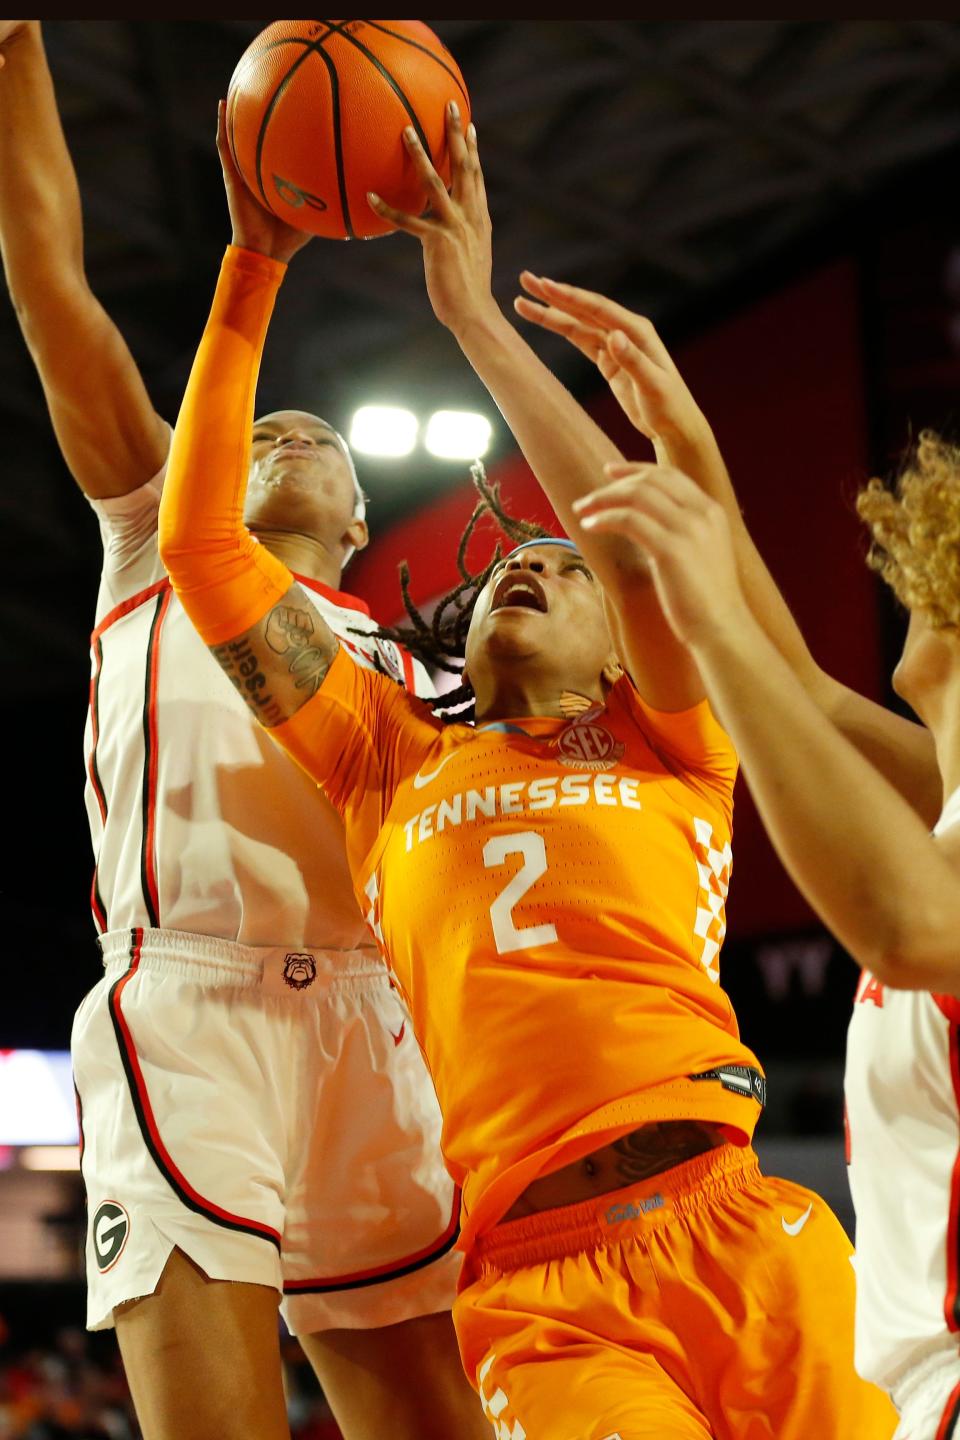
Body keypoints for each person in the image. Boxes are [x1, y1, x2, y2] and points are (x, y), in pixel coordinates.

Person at [157, 98, 897, 1437]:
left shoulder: (674, 734)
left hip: (738, 1223)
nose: (532, 570)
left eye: (564, 573)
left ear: (623, 651)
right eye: (512, 563)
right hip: (536, 1286)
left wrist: (473, 320)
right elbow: (205, 554)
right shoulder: (388, 757)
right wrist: (254, 262)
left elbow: (629, 537)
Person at [0, 22, 488, 1440]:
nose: (280, 434)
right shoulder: (158, 536)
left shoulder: (407, 667)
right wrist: (20, 45)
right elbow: (47, 282)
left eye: (313, 435)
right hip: (189, 1001)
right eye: (256, 427)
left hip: (369, 1017)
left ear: (357, 521)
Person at [523, 279, 960, 1439]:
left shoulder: (929, 864)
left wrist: (706, 613)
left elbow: (907, 929)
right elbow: (800, 697)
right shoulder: (942, 796)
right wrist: (686, 441)